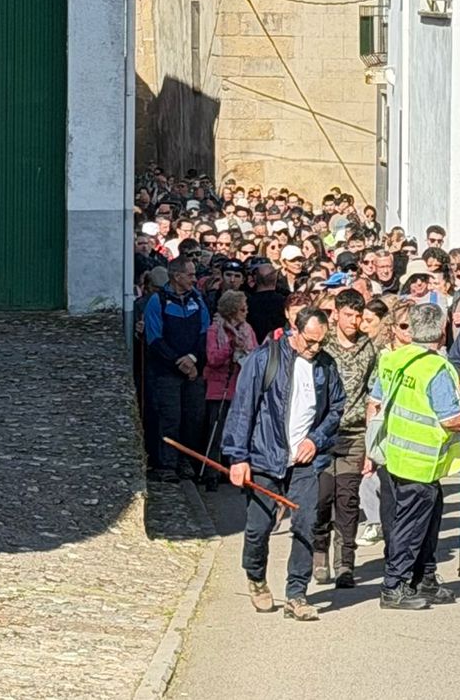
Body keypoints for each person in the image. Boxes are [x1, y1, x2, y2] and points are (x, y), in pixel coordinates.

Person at [222, 308, 345, 622]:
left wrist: (315, 439)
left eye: (321, 342)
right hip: (265, 458)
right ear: (294, 329)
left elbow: (336, 408)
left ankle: (297, 594)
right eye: (310, 341)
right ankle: (256, 576)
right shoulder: (264, 360)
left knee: (305, 523)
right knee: (258, 529)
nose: (315, 348)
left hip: (306, 462)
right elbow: (242, 409)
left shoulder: (326, 366)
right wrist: (238, 457)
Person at [370, 303, 460, 610]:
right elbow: (449, 419)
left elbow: (377, 400)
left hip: (399, 455)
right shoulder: (436, 367)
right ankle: (394, 585)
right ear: (442, 329)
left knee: (427, 523)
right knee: (410, 527)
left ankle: (425, 578)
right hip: (420, 460)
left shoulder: (393, 359)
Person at [313, 290, 378, 588]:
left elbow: (372, 396)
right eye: (348, 315)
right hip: (323, 433)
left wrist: (370, 440)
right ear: (336, 313)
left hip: (354, 434)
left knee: (348, 499)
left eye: (358, 315)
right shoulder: (322, 346)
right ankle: (319, 552)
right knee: (323, 496)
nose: (354, 321)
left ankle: (345, 563)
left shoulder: (368, 348)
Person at [142, 257, 211, 483]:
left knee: (193, 418)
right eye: (190, 275)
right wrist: (178, 362)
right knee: (168, 418)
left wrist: (192, 360)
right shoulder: (157, 301)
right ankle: (166, 464)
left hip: (192, 371)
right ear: (177, 276)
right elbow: (154, 338)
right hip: (166, 373)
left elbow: (204, 333)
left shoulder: (198, 300)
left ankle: (186, 462)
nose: (194, 279)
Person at [203, 289, 257, 491]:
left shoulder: (247, 330)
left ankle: (234, 471)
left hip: (240, 387)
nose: (246, 312)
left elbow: (254, 353)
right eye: (242, 309)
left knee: (238, 433)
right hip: (220, 387)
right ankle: (212, 474)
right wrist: (230, 347)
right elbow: (213, 358)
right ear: (233, 311)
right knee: (216, 434)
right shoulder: (214, 330)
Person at [245, 264, 288, 341]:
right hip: (279, 344)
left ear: (255, 279)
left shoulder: (247, 303)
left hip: (255, 346)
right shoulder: (284, 302)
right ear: (275, 278)